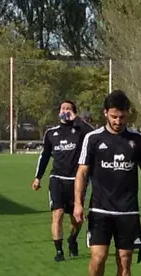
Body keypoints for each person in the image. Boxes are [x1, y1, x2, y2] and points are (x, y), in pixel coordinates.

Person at [74, 90, 141, 276]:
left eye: (122, 117)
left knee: (125, 260)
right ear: (105, 114)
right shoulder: (92, 139)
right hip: (100, 209)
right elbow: (82, 172)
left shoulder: (136, 140)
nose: (118, 121)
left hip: (128, 211)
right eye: (113, 116)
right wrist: (78, 203)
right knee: (98, 258)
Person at [32, 100, 94, 262]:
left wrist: (77, 119)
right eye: (63, 108)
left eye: (69, 109)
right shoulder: (51, 133)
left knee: (77, 217)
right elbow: (44, 156)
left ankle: (72, 239)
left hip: (77, 180)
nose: (65, 111)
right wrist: (38, 177)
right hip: (57, 179)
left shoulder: (81, 131)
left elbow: (94, 135)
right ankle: (59, 251)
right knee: (57, 214)